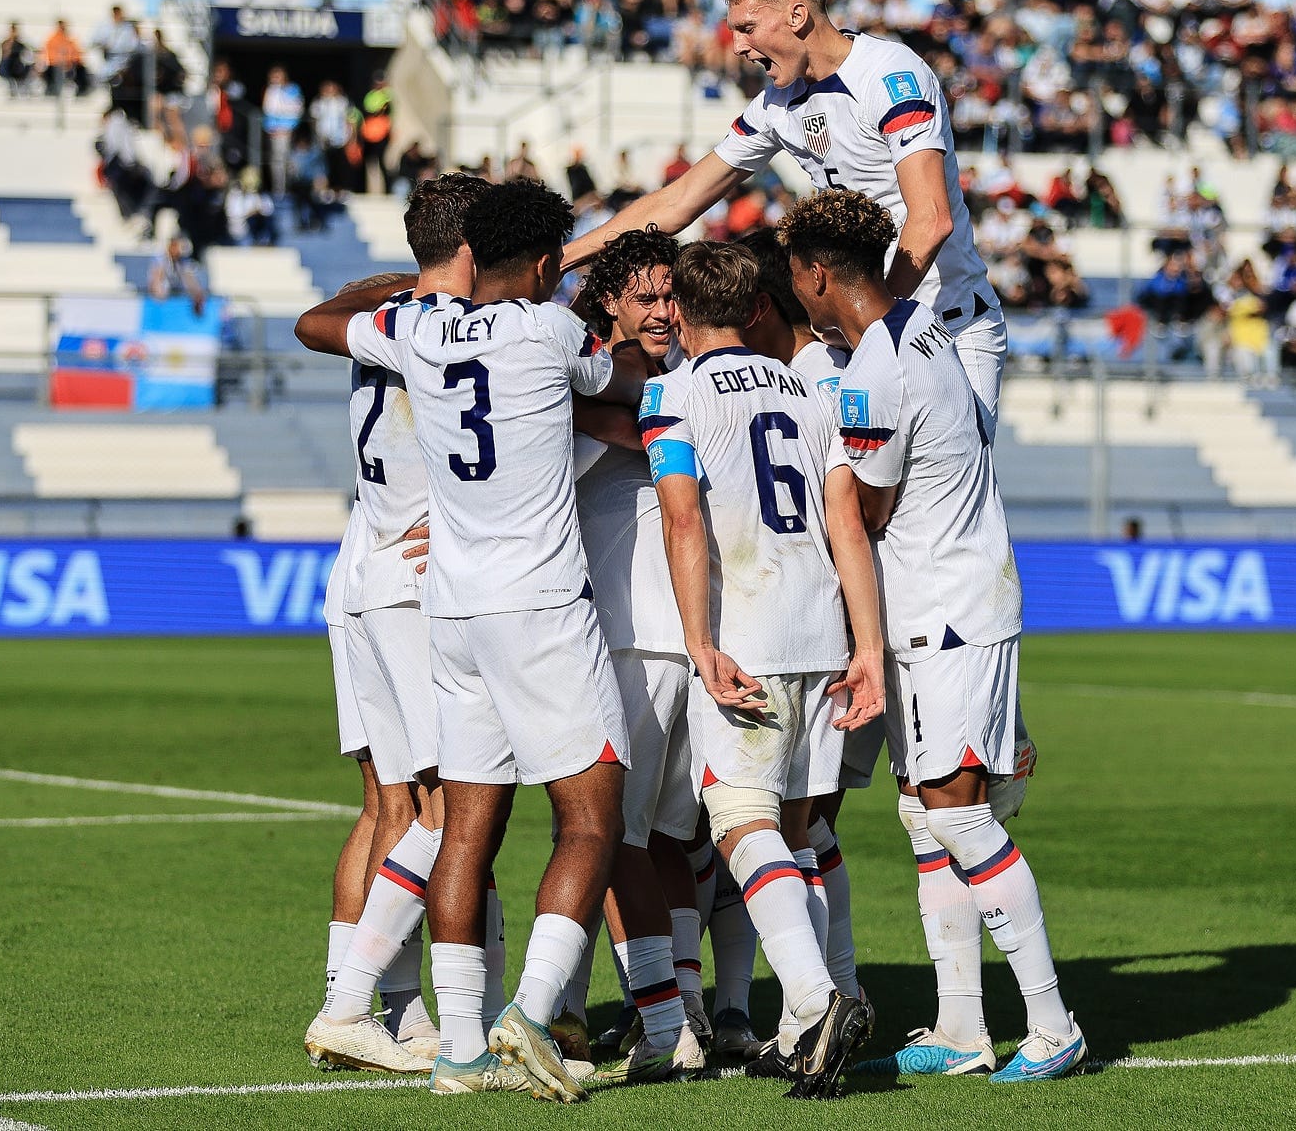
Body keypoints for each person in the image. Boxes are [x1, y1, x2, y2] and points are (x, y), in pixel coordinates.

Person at [295, 180, 643, 1101]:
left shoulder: (413, 330)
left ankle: (458, 1050)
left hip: (448, 610)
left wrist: (390, 290)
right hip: (540, 608)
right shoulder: (550, 331)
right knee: (591, 818)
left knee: (463, 827)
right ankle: (528, 1013)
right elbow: (636, 386)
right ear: (539, 266)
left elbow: (319, 327)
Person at [780, 188, 1085, 1082]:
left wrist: (826, 488)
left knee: (958, 811)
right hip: (952, 598)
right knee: (925, 813)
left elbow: (863, 512)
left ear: (818, 274)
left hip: (943, 610)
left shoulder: (877, 372)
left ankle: (1051, 1020)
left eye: (796, 273)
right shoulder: (921, 326)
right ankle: (960, 1026)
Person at [575, 0, 1008, 434]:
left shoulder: (888, 76)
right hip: (861, 333)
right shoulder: (777, 104)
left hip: (945, 325)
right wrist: (562, 258)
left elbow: (931, 219)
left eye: (747, 27)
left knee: (944, 498)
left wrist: (873, 328)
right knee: (853, 499)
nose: (737, 45)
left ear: (797, 15)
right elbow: (676, 202)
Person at [639, 240, 883, 1098]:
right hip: (822, 629)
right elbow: (847, 524)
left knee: (741, 826)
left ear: (684, 312)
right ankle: (816, 1009)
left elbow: (682, 523)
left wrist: (700, 644)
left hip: (746, 631)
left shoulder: (671, 393)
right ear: (752, 309)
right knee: (802, 829)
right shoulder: (815, 385)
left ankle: (815, 999)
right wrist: (869, 648)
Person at [300, 177, 497, 1079]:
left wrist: (395, 283)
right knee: (455, 805)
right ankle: (365, 1003)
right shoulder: (457, 332)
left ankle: (397, 1010)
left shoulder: (382, 321)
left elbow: (310, 320)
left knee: (391, 805)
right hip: (419, 583)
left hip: (364, 568)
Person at [563, 230, 711, 1078]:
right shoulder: (629, 376)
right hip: (653, 633)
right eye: (646, 297)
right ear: (609, 299)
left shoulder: (666, 380)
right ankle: (670, 1008)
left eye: (671, 296)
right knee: (648, 839)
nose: (662, 311)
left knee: (619, 834)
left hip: (641, 637)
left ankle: (667, 1022)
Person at [260, 65, 304, 197]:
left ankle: (287, 189)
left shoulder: (293, 89)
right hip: (272, 131)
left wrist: (289, 128)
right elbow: (267, 110)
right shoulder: (270, 90)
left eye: (277, 75)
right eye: (273, 76)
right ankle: (278, 189)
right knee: (275, 161)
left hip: (285, 132)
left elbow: (297, 110)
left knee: (286, 161)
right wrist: (269, 128)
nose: (275, 78)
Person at [39, 19, 92, 96]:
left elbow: (76, 52)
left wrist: (71, 61)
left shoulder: (70, 39)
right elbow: (50, 54)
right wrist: (60, 61)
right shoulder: (52, 39)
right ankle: (51, 88)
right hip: (55, 64)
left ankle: (82, 89)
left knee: (81, 69)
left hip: (69, 63)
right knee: (50, 70)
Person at [0, 23, 33, 96]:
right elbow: (4, 56)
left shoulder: (20, 45)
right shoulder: (5, 43)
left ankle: (21, 84)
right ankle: (13, 84)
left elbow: (27, 53)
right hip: (7, 67)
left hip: (17, 67)